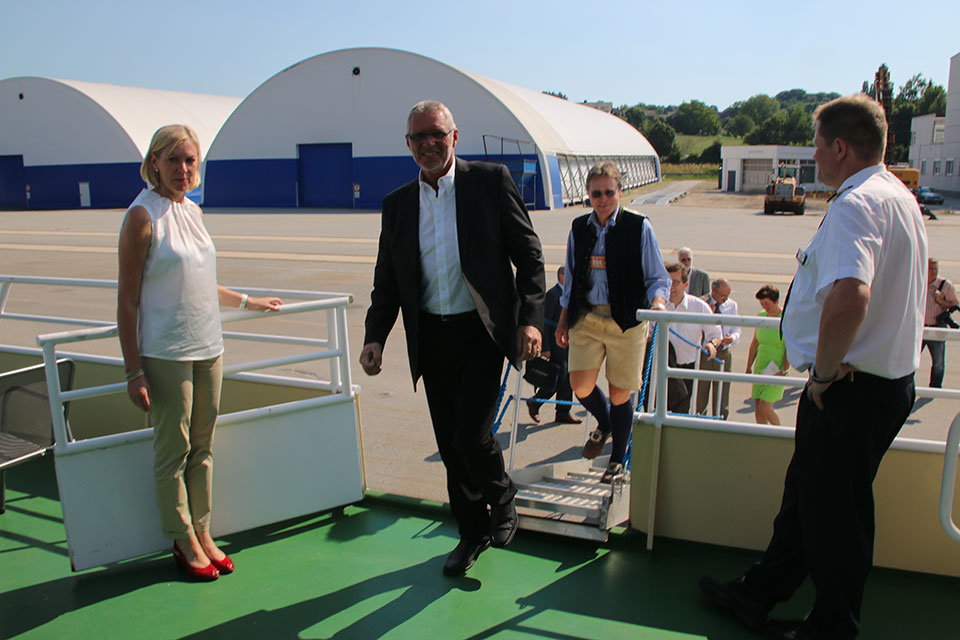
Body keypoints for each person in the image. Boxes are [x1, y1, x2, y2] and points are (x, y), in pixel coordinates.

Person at [699, 94, 927, 639]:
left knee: (836, 517)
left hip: (849, 389)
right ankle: (757, 594)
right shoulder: (899, 196)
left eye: (818, 144)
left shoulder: (856, 205)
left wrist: (821, 376)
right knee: (807, 499)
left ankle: (831, 628)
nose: (814, 154)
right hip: (880, 384)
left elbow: (851, 295)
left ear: (840, 147)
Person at [359, 100, 545, 577]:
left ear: (454, 136)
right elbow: (387, 280)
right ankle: (471, 532)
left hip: (481, 332)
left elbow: (529, 255)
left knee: (470, 434)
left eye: (436, 134)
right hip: (431, 336)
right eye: (419, 137)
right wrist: (375, 336)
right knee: (450, 445)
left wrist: (530, 319)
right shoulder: (397, 205)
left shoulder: (489, 182)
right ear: (407, 144)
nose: (428, 143)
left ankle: (503, 495)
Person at [117, 124, 283, 582]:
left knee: (203, 446)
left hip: (209, 345)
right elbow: (127, 299)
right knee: (174, 449)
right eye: (173, 160)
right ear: (154, 162)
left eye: (190, 160)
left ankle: (204, 530)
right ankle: (182, 536)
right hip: (166, 352)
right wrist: (133, 371)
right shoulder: (142, 216)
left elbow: (201, 281)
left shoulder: (193, 211)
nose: (183, 169)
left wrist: (249, 302)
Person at [555, 162, 671, 484]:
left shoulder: (639, 226)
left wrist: (658, 303)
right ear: (588, 195)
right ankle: (605, 423)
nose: (603, 199)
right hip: (587, 317)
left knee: (620, 393)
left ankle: (617, 460)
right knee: (580, 385)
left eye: (609, 192)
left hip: (626, 321)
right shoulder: (579, 227)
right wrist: (563, 320)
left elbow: (657, 277)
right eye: (596, 193)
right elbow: (570, 279)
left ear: (620, 191)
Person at [527, 266, 582, 424]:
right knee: (560, 375)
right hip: (555, 343)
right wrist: (545, 347)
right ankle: (535, 401)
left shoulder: (569, 295)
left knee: (568, 377)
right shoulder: (553, 294)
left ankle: (563, 411)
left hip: (568, 342)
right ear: (562, 277)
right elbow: (544, 321)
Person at [664, 263, 720, 414]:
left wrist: (711, 344)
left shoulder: (699, 307)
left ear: (686, 284)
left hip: (687, 370)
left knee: (682, 413)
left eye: (676, 282)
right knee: (657, 413)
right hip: (660, 369)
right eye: (668, 282)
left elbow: (715, 334)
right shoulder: (658, 306)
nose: (671, 287)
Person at [744, 285, 789, 425]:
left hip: (776, 368)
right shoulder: (762, 316)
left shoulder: (785, 318)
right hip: (761, 366)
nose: (765, 307)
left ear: (776, 301)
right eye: (762, 304)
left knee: (765, 407)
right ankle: (763, 434)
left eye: (767, 303)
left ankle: (779, 433)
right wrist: (748, 366)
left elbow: (789, 347)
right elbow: (755, 342)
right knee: (758, 407)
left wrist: (784, 370)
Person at [696, 278, 741, 419]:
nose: (725, 298)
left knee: (722, 390)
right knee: (701, 390)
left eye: (727, 295)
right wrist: (708, 315)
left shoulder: (731, 305)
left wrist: (732, 338)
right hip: (705, 353)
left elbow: (736, 329)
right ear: (713, 291)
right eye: (723, 295)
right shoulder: (701, 303)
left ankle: (720, 419)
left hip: (723, 353)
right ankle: (699, 418)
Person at [923, 257, 958, 388]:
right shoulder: (919, 282)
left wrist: (941, 301)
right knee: (910, 360)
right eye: (930, 269)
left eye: (935, 268)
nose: (933, 271)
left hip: (937, 329)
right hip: (920, 329)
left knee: (938, 363)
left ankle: (935, 388)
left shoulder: (945, 285)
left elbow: (955, 305)